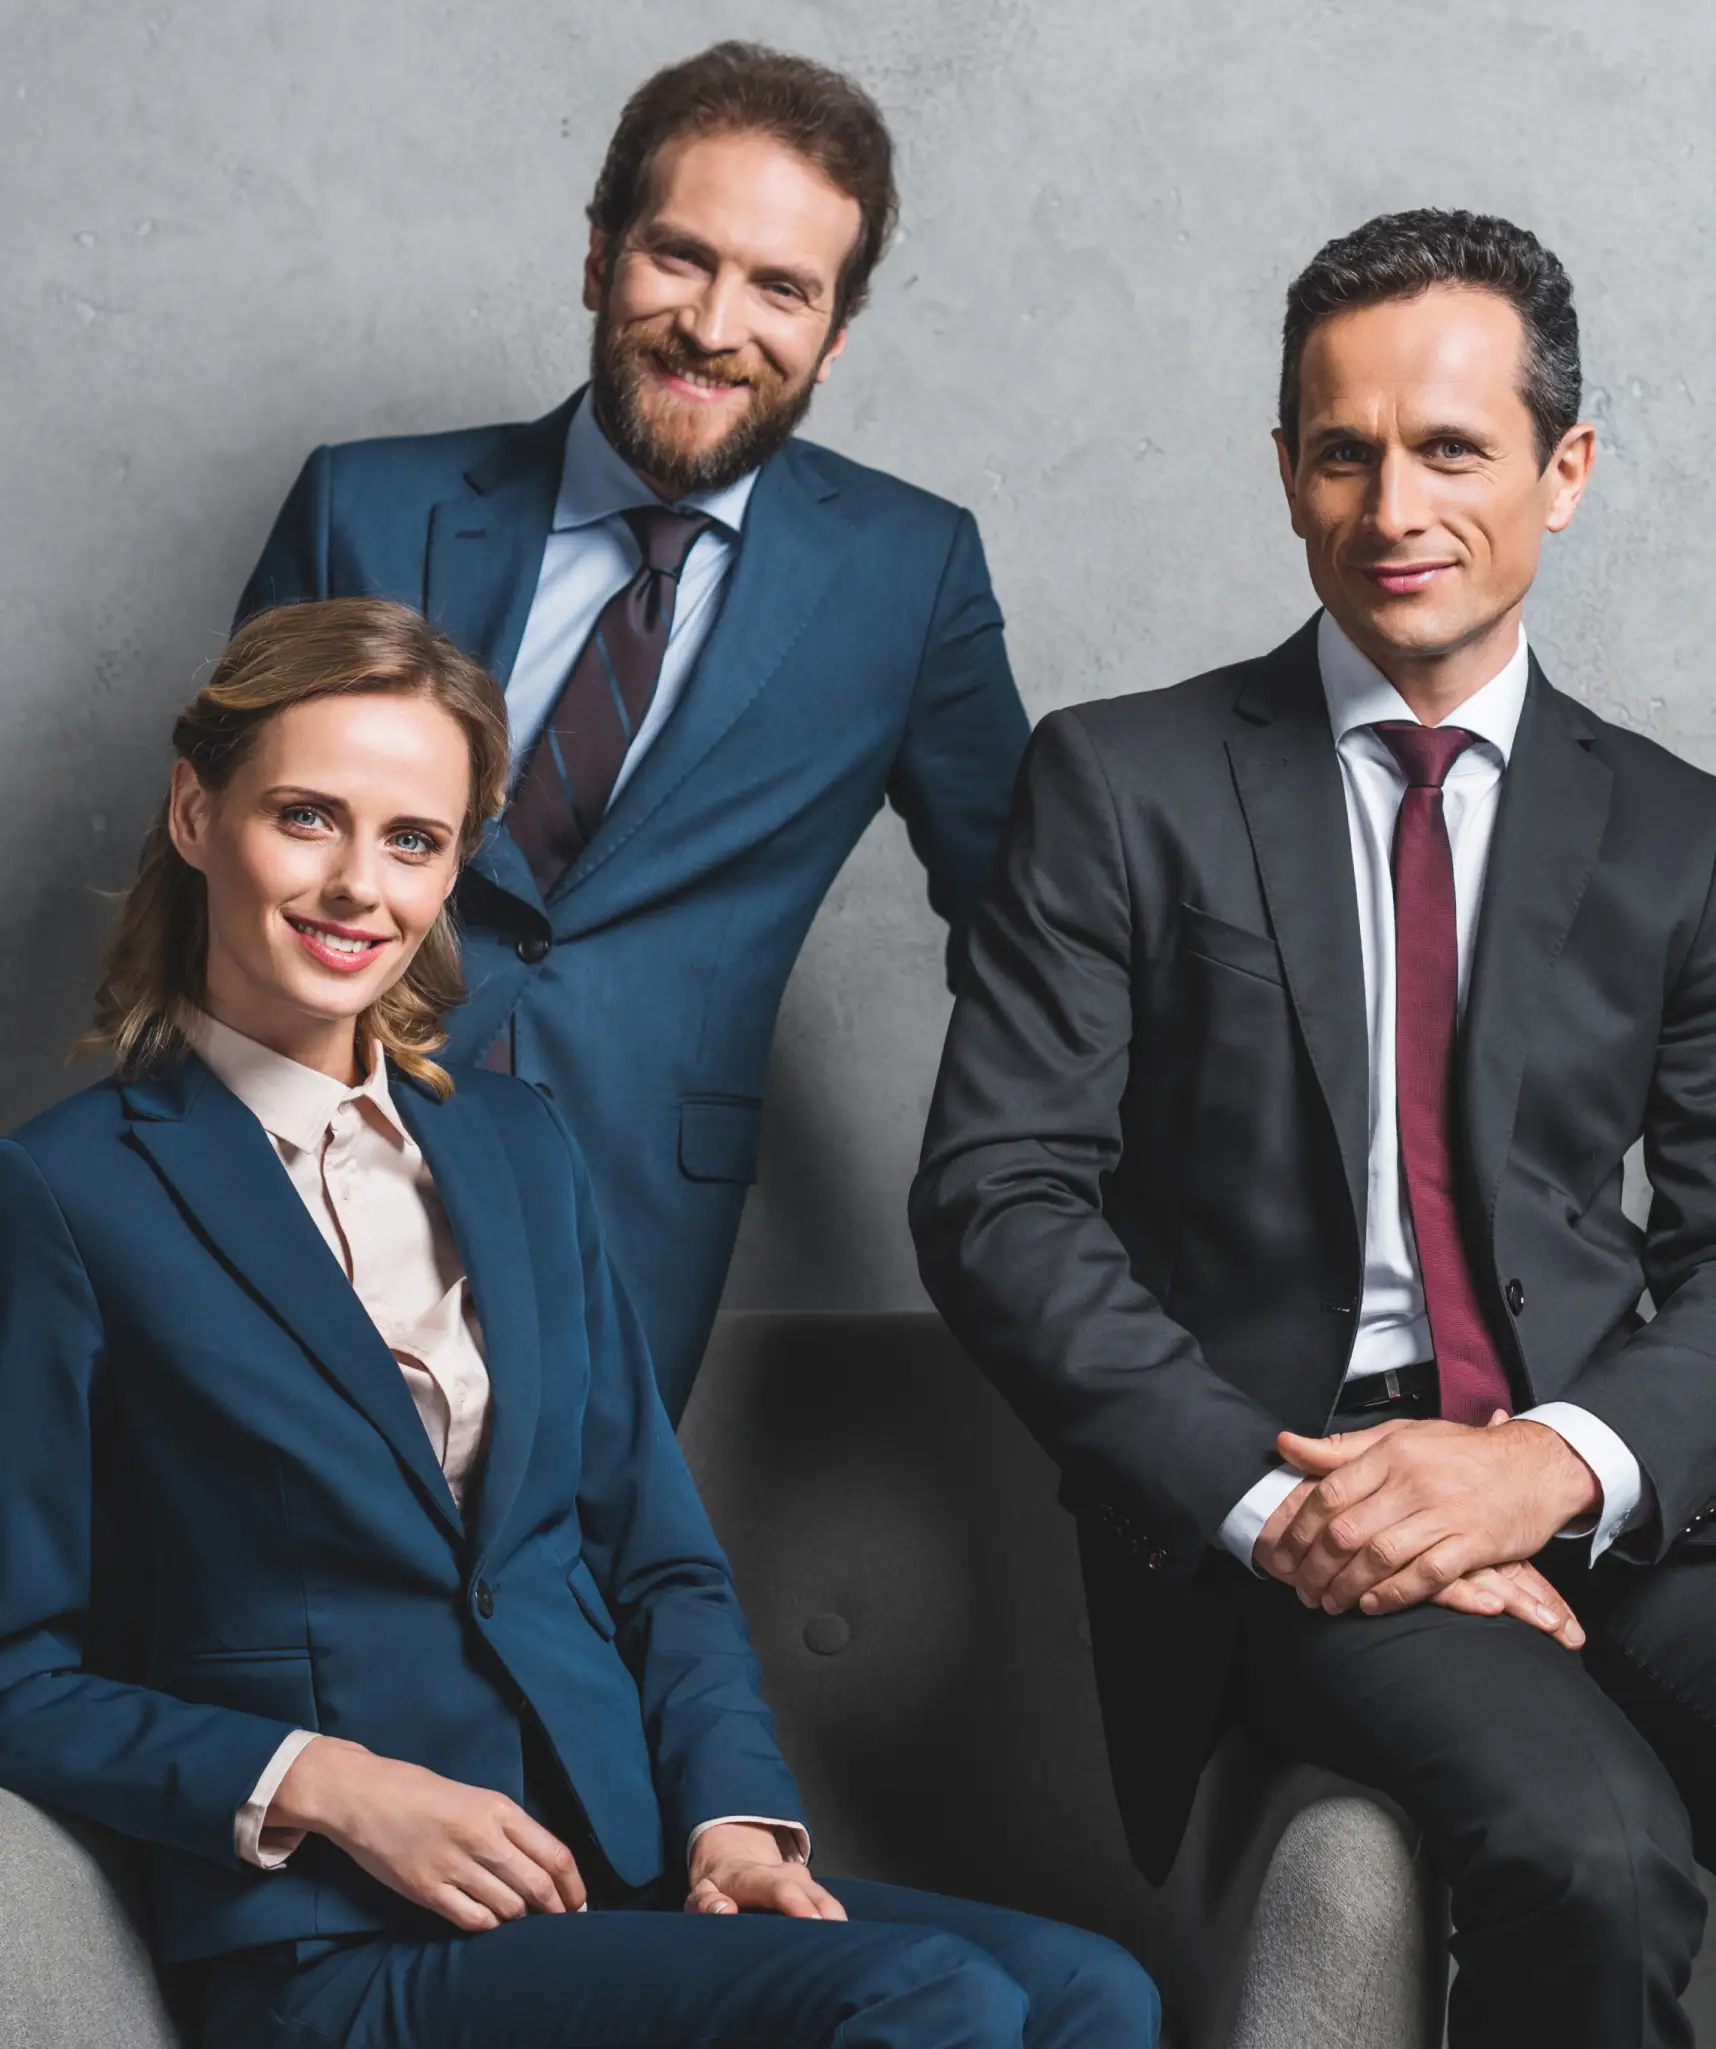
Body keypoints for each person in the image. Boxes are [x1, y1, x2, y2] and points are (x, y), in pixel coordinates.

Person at [0, 597, 1154, 2049]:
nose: (359, 884)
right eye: (308, 817)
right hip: (332, 1944)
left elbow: (654, 1555)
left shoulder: (513, 1144)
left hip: (610, 1871)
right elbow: (17, 1669)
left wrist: (738, 1823)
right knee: (923, 1997)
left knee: (1092, 1991)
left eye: (413, 840)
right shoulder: (61, 1193)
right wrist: (324, 1780)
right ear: (194, 810)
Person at [911, 208, 1716, 2047]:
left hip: (1604, 1496)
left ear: (1564, 470)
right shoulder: (1125, 782)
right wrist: (1280, 1508)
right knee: (1594, 1854)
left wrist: (1555, 1467)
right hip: (1303, 1501)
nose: (1394, 503)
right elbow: (998, 1197)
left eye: (1451, 447)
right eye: (1342, 450)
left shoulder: (1682, 835)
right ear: (1284, 473)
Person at [236, 41, 1030, 1421]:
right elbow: (217, 856)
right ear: (601, 259)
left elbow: (1035, 934)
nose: (718, 327)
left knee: (543, 1605)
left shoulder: (910, 576)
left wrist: (1046, 1202)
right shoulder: (362, 509)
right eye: (682, 257)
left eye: (782, 288)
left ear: (834, 335)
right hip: (283, 1161)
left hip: (623, 1216)